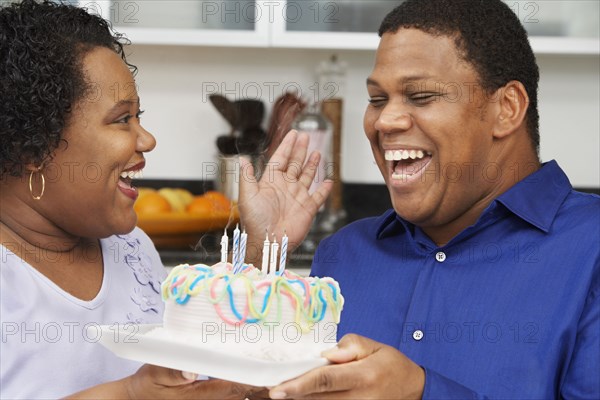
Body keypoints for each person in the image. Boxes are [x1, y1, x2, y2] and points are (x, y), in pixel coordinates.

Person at [239, 0, 600, 398]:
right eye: (378, 100)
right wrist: (262, 257)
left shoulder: (590, 248)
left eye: (421, 96)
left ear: (506, 109)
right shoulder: (344, 253)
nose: (385, 121)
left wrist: (421, 392)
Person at [0, 1, 261, 398]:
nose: (147, 140)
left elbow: (196, 371)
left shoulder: (132, 249)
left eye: (139, 117)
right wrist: (129, 394)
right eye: (122, 119)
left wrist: (260, 246)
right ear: (33, 147)